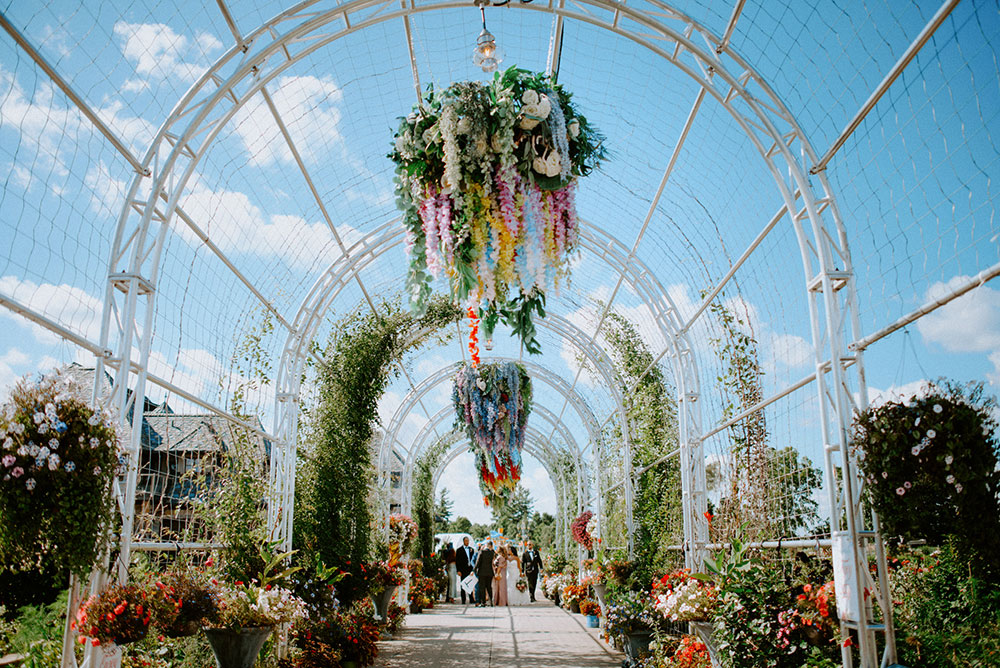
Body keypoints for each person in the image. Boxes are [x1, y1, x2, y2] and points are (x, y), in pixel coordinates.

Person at [456, 537, 476, 605]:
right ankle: (463, 599)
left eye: (468, 541)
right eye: (466, 541)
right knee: (463, 584)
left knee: (470, 584)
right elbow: (457, 561)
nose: (467, 542)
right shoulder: (459, 550)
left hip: (469, 569)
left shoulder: (471, 549)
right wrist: (458, 570)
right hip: (462, 569)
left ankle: (471, 599)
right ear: (463, 541)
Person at [475, 540, 496, 607]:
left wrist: (474, 570)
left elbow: (478, 562)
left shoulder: (481, 552)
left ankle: (483, 602)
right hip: (489, 572)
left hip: (482, 572)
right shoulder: (492, 553)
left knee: (482, 588)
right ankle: (490, 602)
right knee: (489, 587)